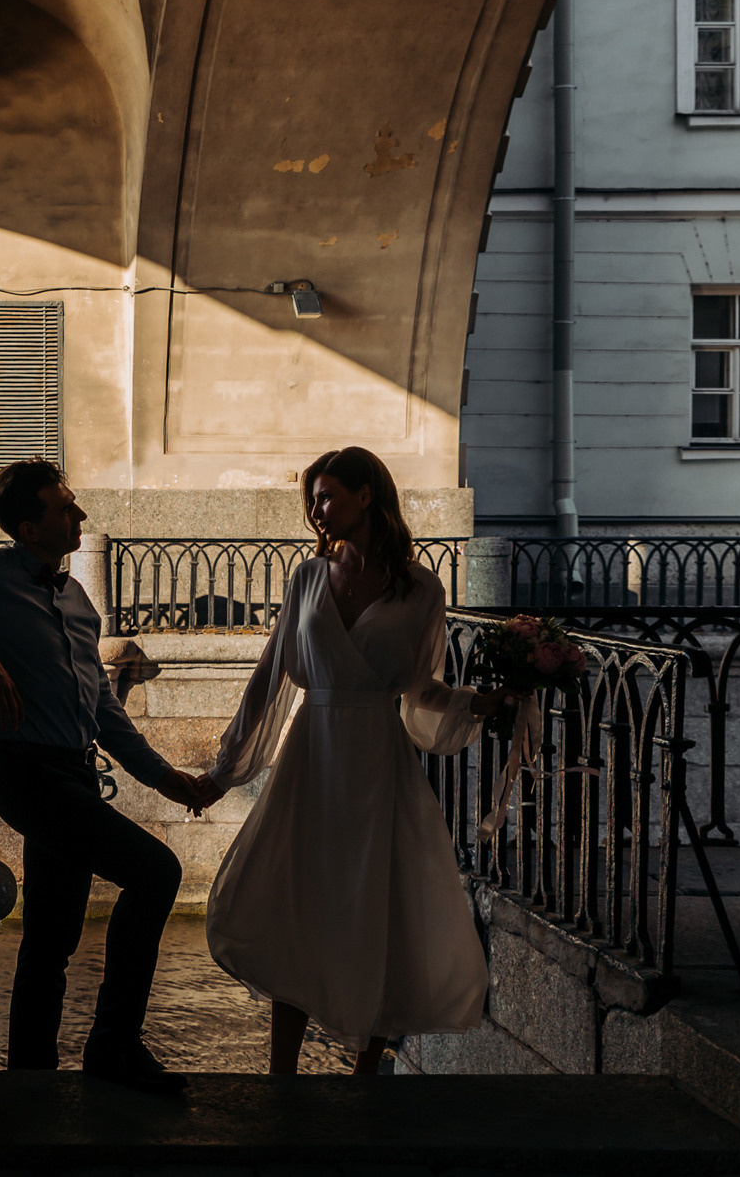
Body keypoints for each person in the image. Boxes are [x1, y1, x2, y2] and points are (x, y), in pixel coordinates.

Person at [0, 459, 214, 1092]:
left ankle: (28, 1076)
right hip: (25, 774)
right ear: (29, 527)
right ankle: (115, 1044)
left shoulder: (76, 599)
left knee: (51, 937)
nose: (80, 515)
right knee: (156, 871)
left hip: (73, 773)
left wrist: (163, 777)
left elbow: (102, 711)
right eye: (65, 507)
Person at [191, 447, 520, 1075]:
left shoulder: (422, 588)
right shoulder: (306, 578)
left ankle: (366, 1078)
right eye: (313, 499)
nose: (316, 510)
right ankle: (280, 1074)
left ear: (366, 496)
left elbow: (422, 691)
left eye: (327, 496)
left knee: (376, 909)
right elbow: (272, 680)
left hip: (376, 763)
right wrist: (224, 772)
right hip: (312, 760)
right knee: (296, 904)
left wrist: (483, 702)